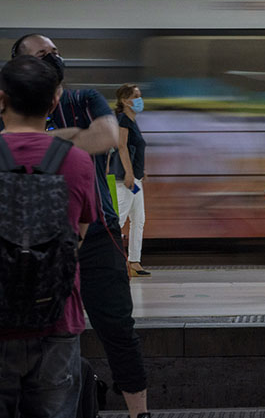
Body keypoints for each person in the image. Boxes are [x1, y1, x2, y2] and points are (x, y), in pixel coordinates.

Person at [8, 34, 151, 418]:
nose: (54, 58)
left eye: (55, 52)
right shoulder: (12, 102)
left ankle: (140, 412)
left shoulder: (83, 98)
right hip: (25, 239)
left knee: (117, 327)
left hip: (95, 232)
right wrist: (72, 139)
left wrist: (42, 140)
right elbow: (87, 141)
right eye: (43, 55)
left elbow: (104, 138)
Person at [0, 55, 97, 418]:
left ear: (0, 100)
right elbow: (79, 235)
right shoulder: (77, 161)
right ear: (54, 103)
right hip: (56, 319)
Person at [112, 83, 150, 277]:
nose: (139, 99)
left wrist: (139, 171)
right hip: (125, 179)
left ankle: (134, 262)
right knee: (118, 220)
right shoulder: (123, 120)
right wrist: (128, 173)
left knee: (138, 219)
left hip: (135, 179)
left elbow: (135, 149)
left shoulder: (131, 120)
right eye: (136, 96)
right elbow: (121, 146)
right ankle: (111, 261)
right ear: (125, 100)